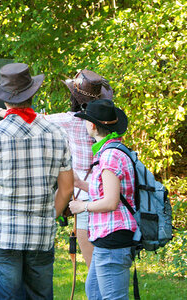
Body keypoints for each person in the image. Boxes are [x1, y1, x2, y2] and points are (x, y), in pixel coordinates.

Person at [0, 69, 113, 268]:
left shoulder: (72, 120)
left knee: (95, 268)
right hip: (109, 195)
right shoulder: (110, 121)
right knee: (106, 264)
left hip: (87, 199)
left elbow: (29, 118)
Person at [0, 63, 74, 299]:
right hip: (41, 233)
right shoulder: (57, 133)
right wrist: (48, 216)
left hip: (2, 233)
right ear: (32, 94)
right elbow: (66, 190)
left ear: (4, 99)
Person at [69, 99, 137, 299]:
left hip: (113, 237)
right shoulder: (113, 150)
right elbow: (109, 191)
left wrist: (83, 206)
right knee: (95, 292)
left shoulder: (109, 156)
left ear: (91, 125)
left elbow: (110, 202)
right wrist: (81, 184)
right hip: (105, 237)